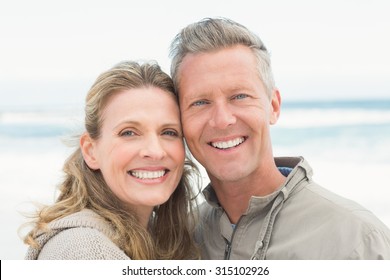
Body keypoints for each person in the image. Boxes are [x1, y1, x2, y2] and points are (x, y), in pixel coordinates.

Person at [169, 17, 390, 259]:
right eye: (200, 102)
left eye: (239, 96)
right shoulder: (177, 241)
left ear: (273, 107)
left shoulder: (356, 241)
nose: (222, 120)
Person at [23, 60, 200, 260]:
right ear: (91, 151)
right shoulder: (84, 250)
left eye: (169, 132)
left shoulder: (159, 236)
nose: (155, 151)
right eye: (129, 133)